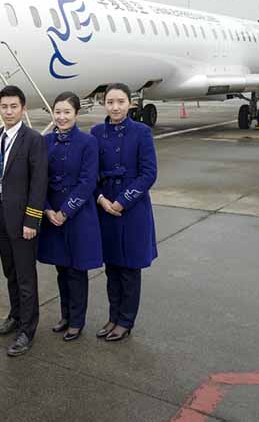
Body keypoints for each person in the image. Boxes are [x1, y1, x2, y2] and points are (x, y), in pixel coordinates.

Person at [0, 85, 48, 356]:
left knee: (25, 275)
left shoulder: (33, 139)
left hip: (22, 218)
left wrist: (32, 220)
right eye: (4, 107)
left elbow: (39, 183)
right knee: (9, 270)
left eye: (13, 107)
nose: (8, 112)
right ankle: (15, 315)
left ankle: (27, 329)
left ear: (23, 109)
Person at [91, 83, 157, 342]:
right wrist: (101, 199)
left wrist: (122, 201)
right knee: (112, 268)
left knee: (129, 269)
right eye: (110, 102)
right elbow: (91, 172)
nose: (115, 107)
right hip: (105, 206)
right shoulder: (97, 132)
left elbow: (148, 173)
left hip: (132, 209)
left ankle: (125, 321)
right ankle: (113, 316)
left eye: (120, 102)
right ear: (104, 104)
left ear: (130, 103)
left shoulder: (142, 132)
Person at [38, 91, 102, 342]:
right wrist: (47, 209)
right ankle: (65, 315)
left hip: (77, 214)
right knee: (61, 268)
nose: (61, 117)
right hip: (52, 214)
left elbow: (88, 182)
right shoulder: (45, 142)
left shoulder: (88, 142)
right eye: (58, 112)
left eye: (67, 112)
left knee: (76, 269)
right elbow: (39, 180)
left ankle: (77, 321)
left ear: (76, 113)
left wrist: (65, 211)